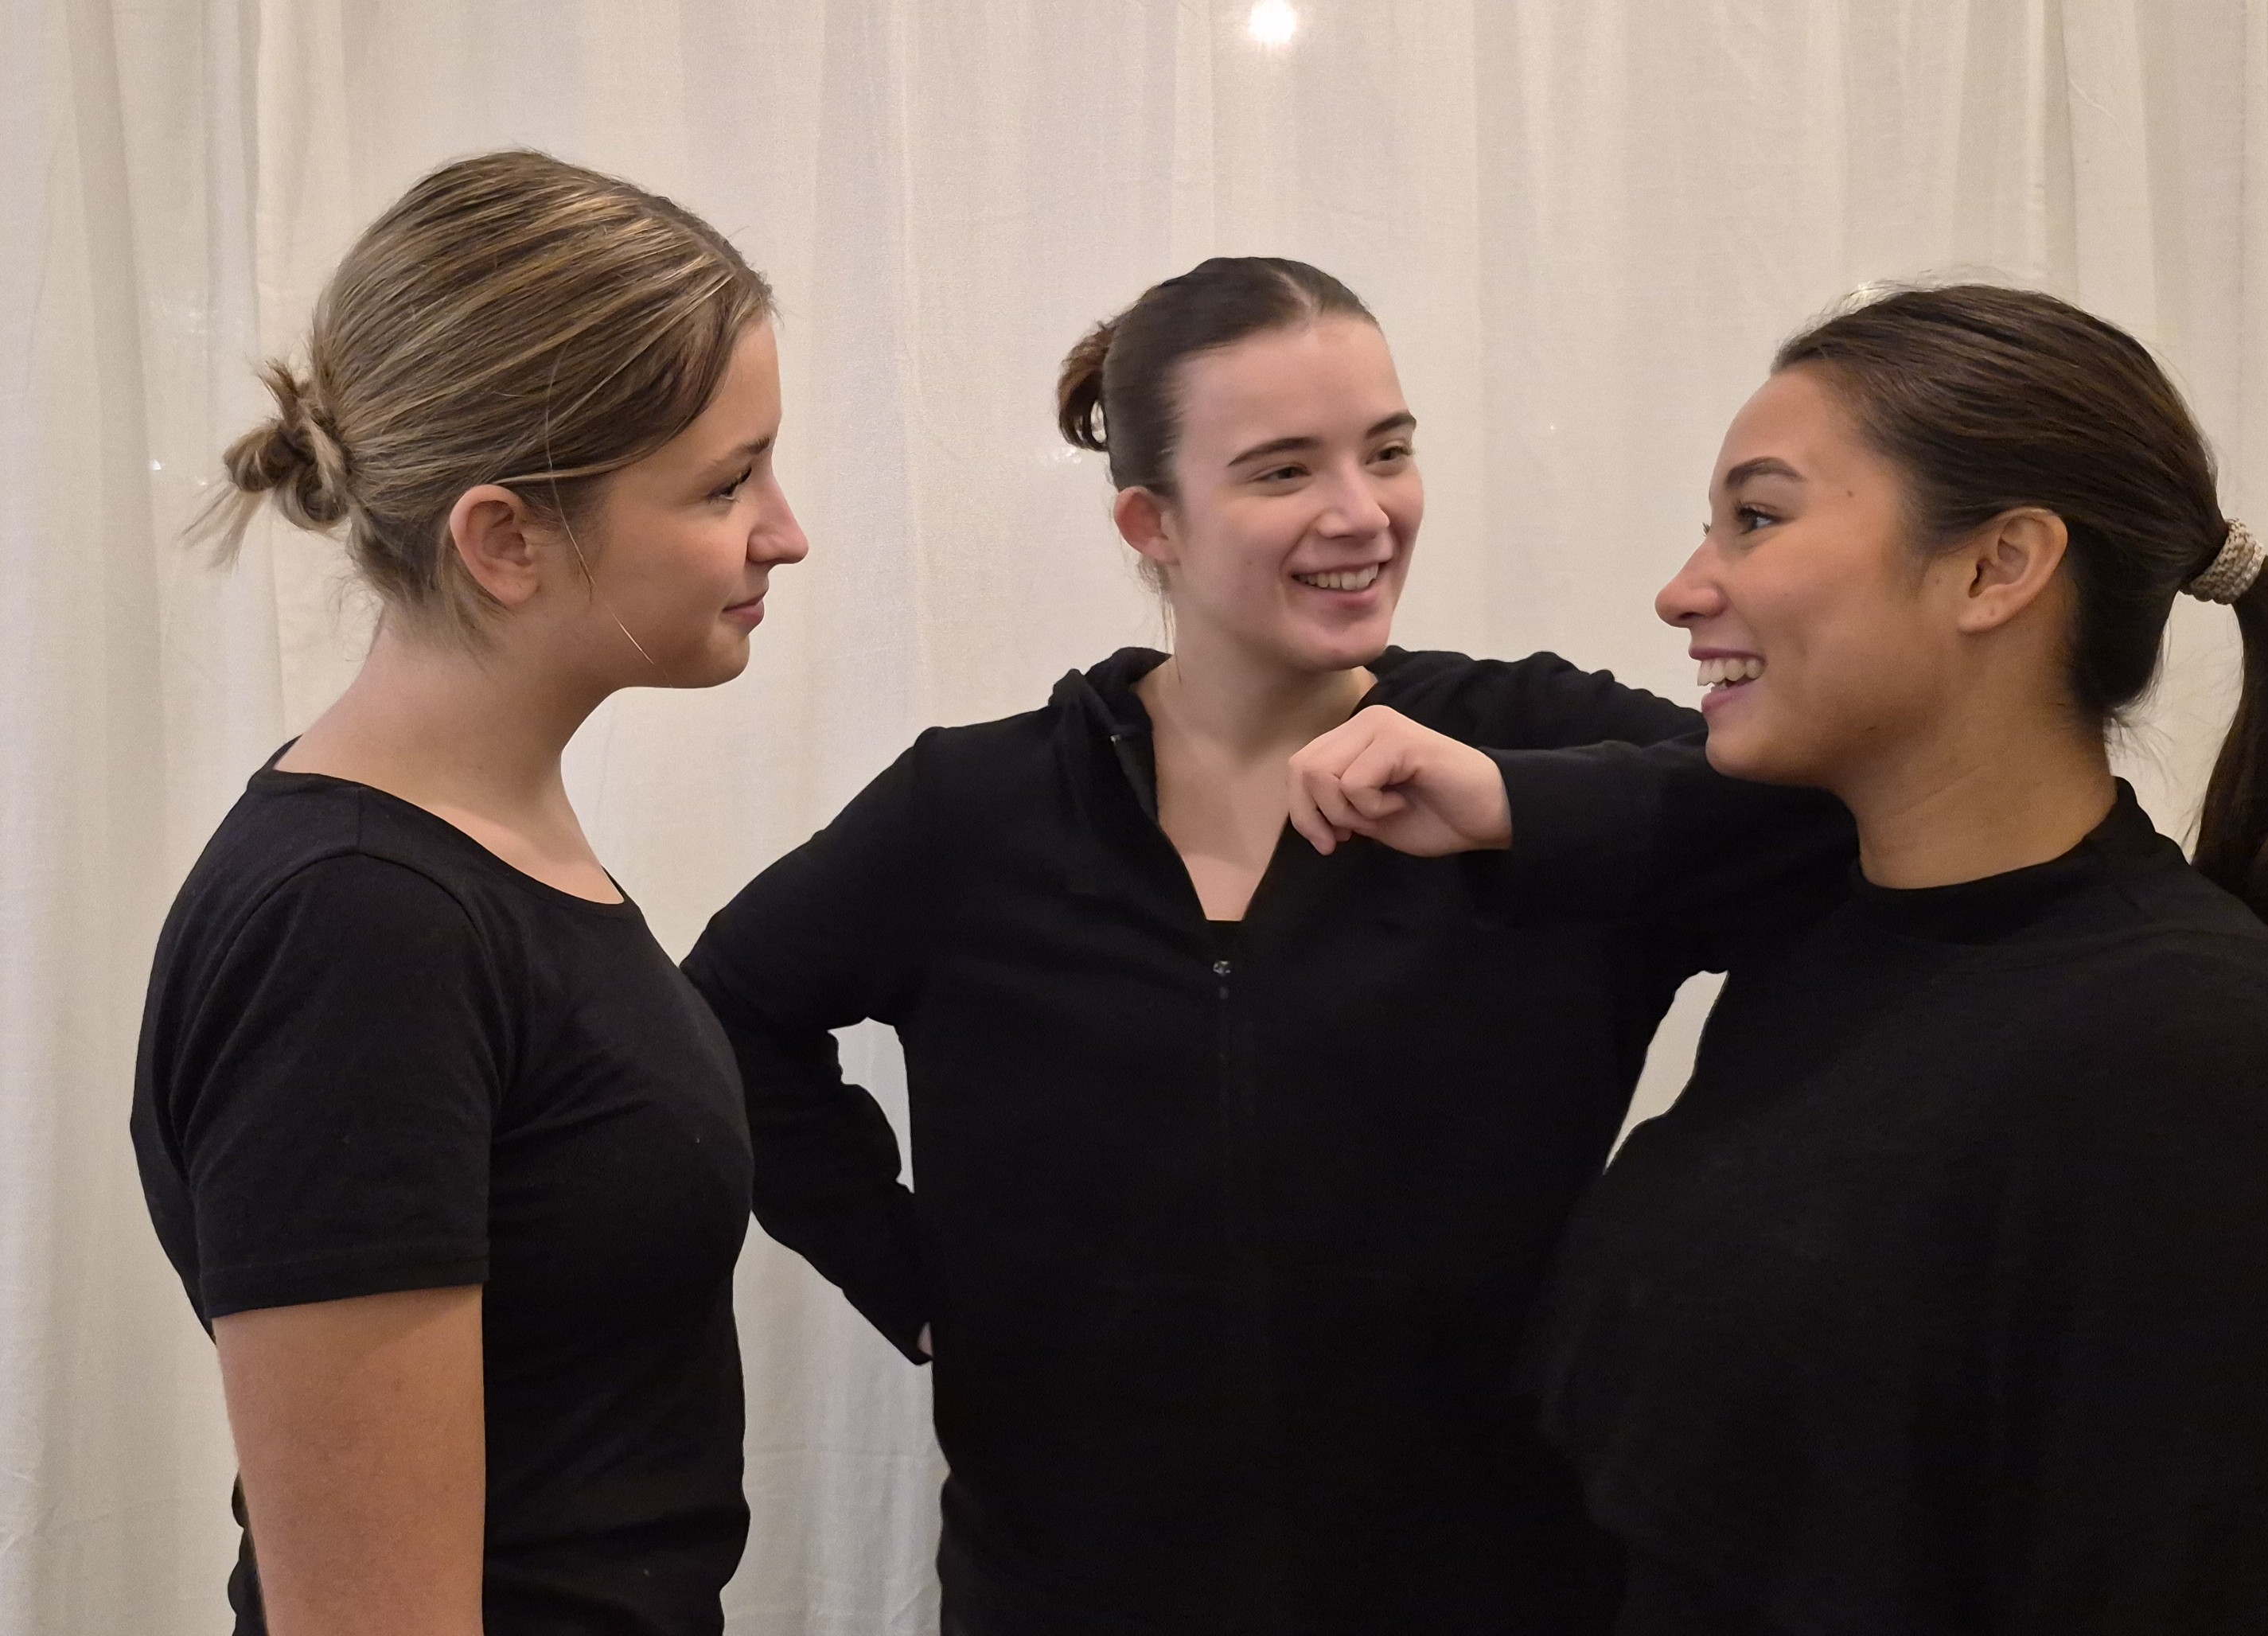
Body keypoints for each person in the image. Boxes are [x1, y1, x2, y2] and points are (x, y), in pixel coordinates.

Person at [681, 256, 1852, 1634]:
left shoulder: (1533, 745)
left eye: (1388, 452)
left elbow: (1837, 829)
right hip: (1068, 1595)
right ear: (1153, 521)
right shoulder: (977, 808)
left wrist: (1508, 805)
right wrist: (918, 1285)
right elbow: (724, 1014)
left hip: (1499, 1590)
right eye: (1284, 470)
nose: (1362, 512)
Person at [1286, 283, 2268, 1632]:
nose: (1683, 591)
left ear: (1997, 568)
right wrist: (1510, 802)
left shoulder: (2191, 1049)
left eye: (1758, 519)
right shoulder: (1836, 935)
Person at [132, 150, 808, 1634]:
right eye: (725, 484)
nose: (785, 530)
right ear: (506, 540)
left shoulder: (488, 850)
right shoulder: (355, 929)